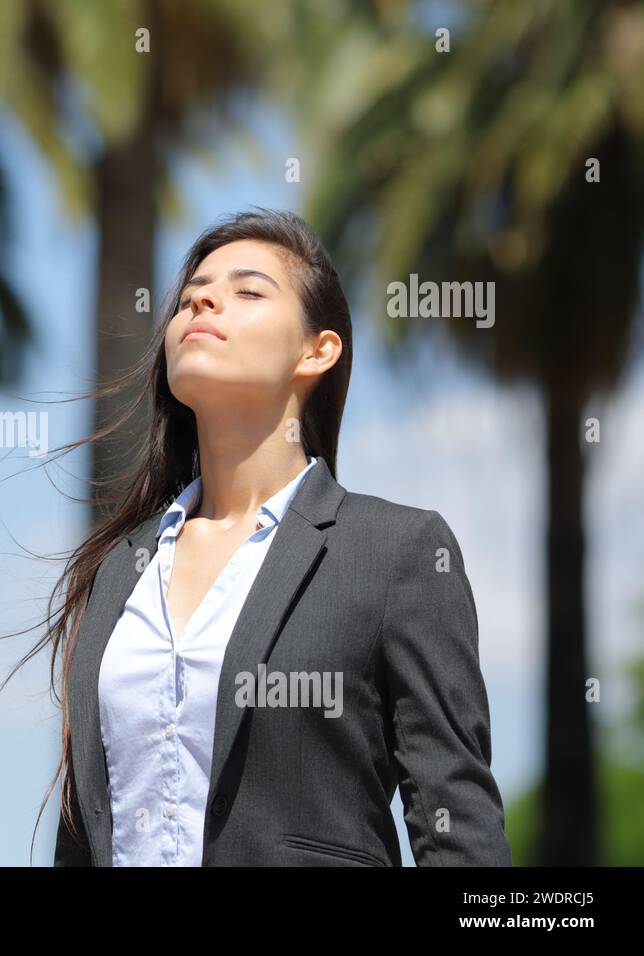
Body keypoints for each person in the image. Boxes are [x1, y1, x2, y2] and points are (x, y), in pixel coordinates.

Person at [39, 208, 510, 866]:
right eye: (191, 294)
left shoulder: (394, 553)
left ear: (317, 350)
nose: (200, 298)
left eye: (248, 290)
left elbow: (456, 825)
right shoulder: (120, 570)